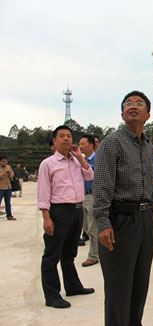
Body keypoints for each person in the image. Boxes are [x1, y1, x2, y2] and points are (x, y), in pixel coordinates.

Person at [93, 91, 153, 326]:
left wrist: (152, 214)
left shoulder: (149, 147)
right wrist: (102, 222)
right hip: (119, 222)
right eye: (128, 103)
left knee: (140, 286)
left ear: (148, 115)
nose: (133, 106)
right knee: (119, 290)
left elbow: (149, 184)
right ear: (122, 113)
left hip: (145, 220)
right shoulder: (112, 143)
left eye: (139, 104)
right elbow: (102, 184)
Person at [37, 125, 95, 308]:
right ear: (54, 141)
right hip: (59, 211)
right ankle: (52, 295)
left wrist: (80, 157)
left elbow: (89, 175)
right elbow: (43, 193)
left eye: (69, 136)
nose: (66, 139)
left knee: (69, 253)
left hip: (76, 210)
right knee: (52, 255)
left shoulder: (77, 161)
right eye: (61, 136)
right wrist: (46, 217)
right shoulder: (48, 164)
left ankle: (73, 286)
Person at [79, 134, 99, 267]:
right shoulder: (81, 160)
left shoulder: (98, 159)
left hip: (93, 195)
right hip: (82, 196)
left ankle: (94, 255)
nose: (80, 146)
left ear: (91, 146)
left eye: (82, 144)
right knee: (86, 227)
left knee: (93, 228)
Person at [0, 156, 16, 220]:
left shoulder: (8, 167)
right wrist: (2, 174)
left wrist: (10, 174)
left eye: (6, 161)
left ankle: (9, 215)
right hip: (0, 187)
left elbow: (12, 174)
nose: (5, 163)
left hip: (8, 187)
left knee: (8, 203)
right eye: (3, 161)